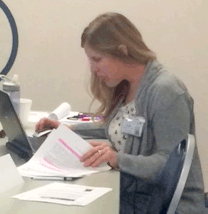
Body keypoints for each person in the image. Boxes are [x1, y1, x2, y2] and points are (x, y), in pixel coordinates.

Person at [35, 12, 205, 213]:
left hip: (165, 207)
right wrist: (70, 129)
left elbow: (168, 165)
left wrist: (118, 159)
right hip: (134, 199)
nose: (93, 69)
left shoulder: (166, 92)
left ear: (122, 51)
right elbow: (115, 128)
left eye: (97, 59)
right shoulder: (127, 86)